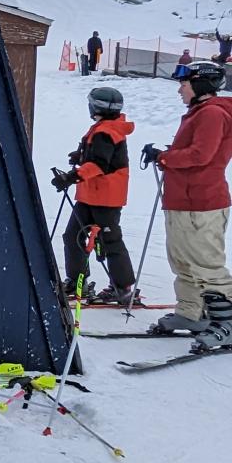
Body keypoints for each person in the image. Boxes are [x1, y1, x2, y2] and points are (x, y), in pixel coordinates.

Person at [142, 61, 232, 349]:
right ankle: (191, 313)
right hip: (183, 200)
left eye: (185, 83)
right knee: (182, 261)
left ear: (200, 85)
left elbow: (201, 155)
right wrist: (164, 154)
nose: (180, 88)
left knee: (206, 264)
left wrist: (165, 158)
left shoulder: (213, 114)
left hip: (201, 203)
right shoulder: (200, 113)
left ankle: (227, 322)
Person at [49, 87, 136, 305]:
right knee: (73, 236)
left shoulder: (107, 132)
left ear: (96, 107)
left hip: (105, 198)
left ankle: (122, 287)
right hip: (90, 195)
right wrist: (80, 156)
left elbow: (99, 164)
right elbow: (97, 156)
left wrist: (73, 176)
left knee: (109, 241)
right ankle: (78, 280)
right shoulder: (102, 128)